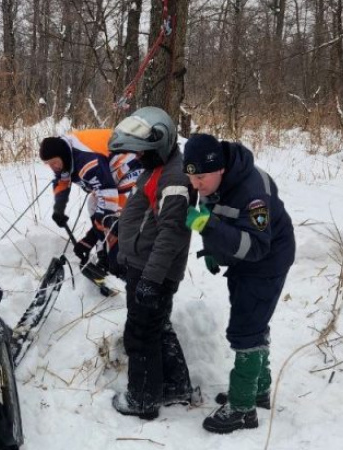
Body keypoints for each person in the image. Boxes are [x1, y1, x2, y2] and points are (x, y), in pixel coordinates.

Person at [182, 133, 295, 434]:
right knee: (253, 322)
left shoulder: (253, 194)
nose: (196, 185)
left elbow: (258, 247)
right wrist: (213, 249)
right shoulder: (213, 182)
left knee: (246, 329)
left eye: (201, 177)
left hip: (267, 262)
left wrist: (209, 227)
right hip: (243, 262)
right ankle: (257, 390)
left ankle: (243, 409)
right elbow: (216, 216)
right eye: (192, 177)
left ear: (220, 168)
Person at [107, 106, 198, 420]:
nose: (137, 157)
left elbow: (172, 234)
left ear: (160, 143)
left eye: (142, 151)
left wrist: (150, 279)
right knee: (158, 327)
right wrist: (123, 253)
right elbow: (141, 214)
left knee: (141, 333)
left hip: (153, 271)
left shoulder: (174, 177)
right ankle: (176, 386)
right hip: (142, 264)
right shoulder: (157, 165)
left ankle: (143, 400)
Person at [39, 129, 141, 273]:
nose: (53, 167)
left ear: (62, 156)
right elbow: (62, 180)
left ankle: (120, 262)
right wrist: (59, 208)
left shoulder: (87, 161)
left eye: (54, 162)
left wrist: (89, 240)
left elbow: (107, 198)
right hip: (110, 168)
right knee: (94, 203)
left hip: (134, 163)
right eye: (48, 164)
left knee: (113, 214)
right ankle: (104, 254)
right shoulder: (65, 153)